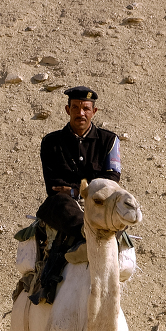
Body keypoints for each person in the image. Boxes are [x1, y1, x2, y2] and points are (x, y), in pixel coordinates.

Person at [27, 86, 122, 305]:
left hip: (98, 202)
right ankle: (84, 235)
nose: (81, 113)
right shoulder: (51, 143)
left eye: (86, 109)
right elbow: (53, 185)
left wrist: (77, 190)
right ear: (67, 109)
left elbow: (111, 179)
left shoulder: (109, 141)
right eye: (76, 108)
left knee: (122, 206)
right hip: (66, 205)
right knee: (57, 202)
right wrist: (78, 191)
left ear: (94, 111)